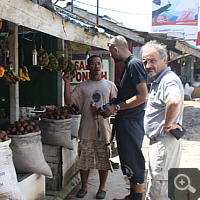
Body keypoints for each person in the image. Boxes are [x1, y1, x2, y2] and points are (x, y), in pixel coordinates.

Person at [63, 55, 117, 199]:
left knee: (103, 161)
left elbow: (117, 106)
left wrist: (111, 110)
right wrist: (66, 83)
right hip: (86, 130)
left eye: (98, 63)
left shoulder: (110, 85)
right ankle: (84, 187)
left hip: (104, 131)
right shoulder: (82, 86)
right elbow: (68, 101)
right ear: (88, 67)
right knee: (84, 161)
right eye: (93, 64)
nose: (96, 66)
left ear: (102, 66)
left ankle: (102, 187)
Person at [104, 35, 148, 200]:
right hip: (125, 121)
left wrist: (116, 107)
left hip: (131, 122)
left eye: (110, 52)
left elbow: (143, 95)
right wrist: (115, 104)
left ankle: (137, 197)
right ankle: (132, 195)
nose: (110, 56)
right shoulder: (129, 66)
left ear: (115, 48)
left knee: (134, 161)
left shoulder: (134, 64)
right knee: (128, 160)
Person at [141, 40, 184, 200]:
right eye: (145, 62)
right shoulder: (161, 80)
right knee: (163, 186)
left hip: (164, 143)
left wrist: (167, 124)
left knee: (158, 191)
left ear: (164, 60)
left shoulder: (168, 80)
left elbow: (174, 101)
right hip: (162, 144)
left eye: (153, 60)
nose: (148, 65)